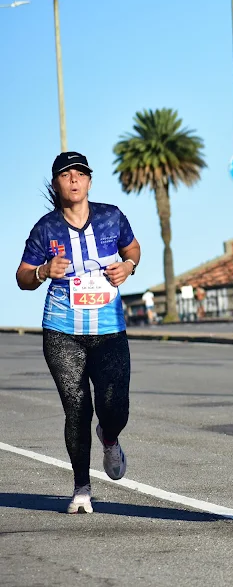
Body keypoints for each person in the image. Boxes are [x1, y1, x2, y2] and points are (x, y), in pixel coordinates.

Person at [16, 152, 140, 514]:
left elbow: (133, 249)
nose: (74, 179)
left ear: (89, 181)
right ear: (56, 184)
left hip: (109, 328)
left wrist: (128, 266)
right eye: (66, 174)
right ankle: (82, 488)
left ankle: (110, 437)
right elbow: (22, 277)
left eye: (80, 174)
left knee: (114, 406)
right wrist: (42, 271)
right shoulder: (45, 229)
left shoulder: (111, 217)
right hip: (62, 329)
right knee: (77, 407)